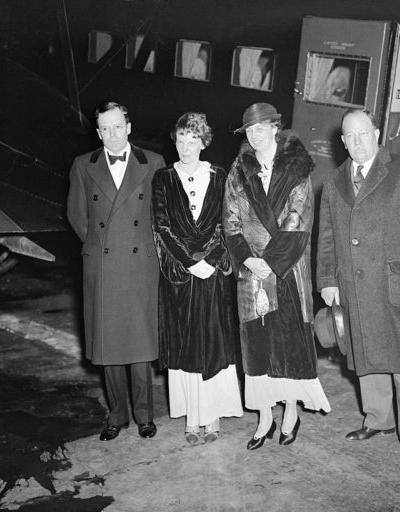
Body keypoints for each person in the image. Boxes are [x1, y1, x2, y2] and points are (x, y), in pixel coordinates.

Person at [316, 108, 400, 464]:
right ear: (342, 142)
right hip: (352, 284)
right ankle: (378, 419)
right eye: (349, 137)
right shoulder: (335, 181)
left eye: (363, 134)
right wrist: (327, 280)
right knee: (366, 355)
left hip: (395, 282)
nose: (357, 142)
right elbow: (325, 238)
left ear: (377, 133)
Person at [223, 102, 331, 451]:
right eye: (249, 130)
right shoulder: (239, 170)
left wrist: (270, 262)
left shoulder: (298, 169)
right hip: (252, 273)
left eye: (261, 128)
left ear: (275, 128)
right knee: (258, 348)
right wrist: (248, 261)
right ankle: (265, 417)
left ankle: (289, 412)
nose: (255, 135)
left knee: (287, 344)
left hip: (287, 270)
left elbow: (298, 220)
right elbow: (230, 222)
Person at [67, 101, 165, 441]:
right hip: (104, 265)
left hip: (140, 265)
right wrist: (98, 245)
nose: (112, 134)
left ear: (129, 127)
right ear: (98, 132)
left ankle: (144, 415)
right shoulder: (83, 165)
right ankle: (117, 414)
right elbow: (77, 216)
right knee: (109, 347)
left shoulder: (152, 163)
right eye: (105, 129)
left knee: (139, 347)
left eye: (117, 126)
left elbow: (160, 214)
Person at [152, 112, 242, 444]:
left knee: (214, 341)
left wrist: (212, 260)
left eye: (193, 140)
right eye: (180, 140)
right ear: (173, 141)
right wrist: (190, 262)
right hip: (181, 273)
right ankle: (192, 418)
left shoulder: (220, 176)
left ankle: (214, 416)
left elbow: (227, 223)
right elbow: (162, 226)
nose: (186, 147)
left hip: (214, 272)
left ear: (204, 142)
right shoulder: (162, 178)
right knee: (185, 344)